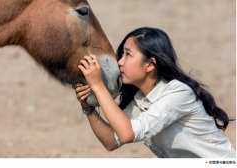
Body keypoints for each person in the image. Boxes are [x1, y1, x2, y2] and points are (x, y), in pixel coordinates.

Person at [72, 27, 236, 158]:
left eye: (128, 54)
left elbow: (128, 134)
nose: (120, 62)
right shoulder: (139, 102)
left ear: (149, 65)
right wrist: (88, 108)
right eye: (121, 54)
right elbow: (111, 142)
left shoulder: (178, 93)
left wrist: (99, 86)